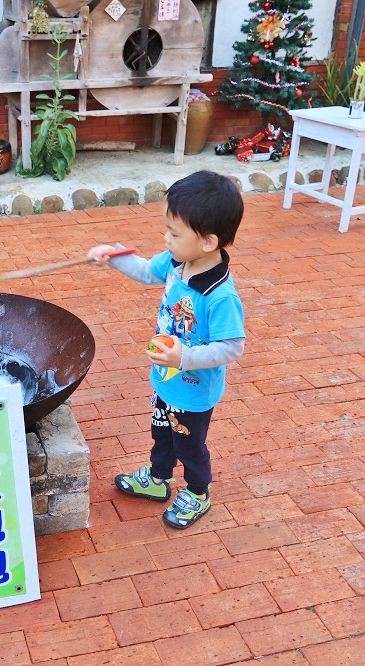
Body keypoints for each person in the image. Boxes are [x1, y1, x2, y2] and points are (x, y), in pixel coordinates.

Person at [88, 170, 245, 529]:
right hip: (166, 378)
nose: (166, 238)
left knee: (189, 445)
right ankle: (158, 480)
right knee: (162, 431)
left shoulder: (219, 295)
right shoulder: (178, 261)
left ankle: (198, 492)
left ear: (208, 241)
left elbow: (232, 346)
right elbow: (145, 271)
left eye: (174, 233)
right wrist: (113, 255)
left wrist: (185, 358)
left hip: (193, 390)